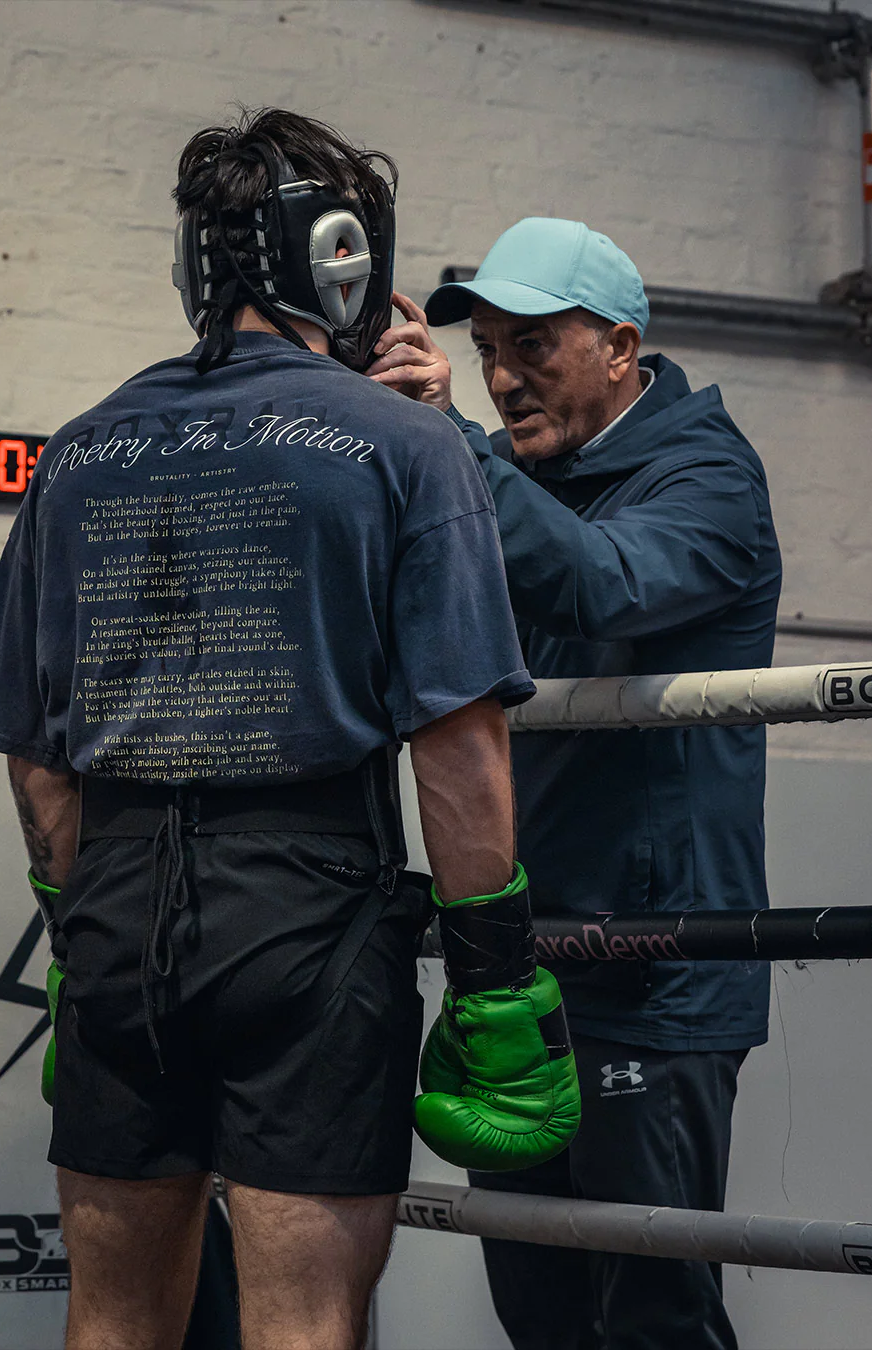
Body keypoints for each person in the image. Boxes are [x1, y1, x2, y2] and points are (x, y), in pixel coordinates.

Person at [0, 115, 579, 1350]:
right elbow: (459, 748)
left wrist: (79, 931)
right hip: (310, 918)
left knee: (111, 1324)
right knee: (304, 1327)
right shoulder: (406, 444)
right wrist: (496, 978)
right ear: (342, 257)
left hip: (118, 911)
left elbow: (36, 758)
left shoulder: (77, 453)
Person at [367, 216, 782, 1350]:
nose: (503, 379)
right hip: (521, 967)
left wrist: (448, 446)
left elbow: (603, 583)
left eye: (534, 347)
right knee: (539, 1310)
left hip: (654, 971)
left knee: (654, 1316)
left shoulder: (708, 476)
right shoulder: (506, 474)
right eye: (488, 351)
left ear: (620, 347)